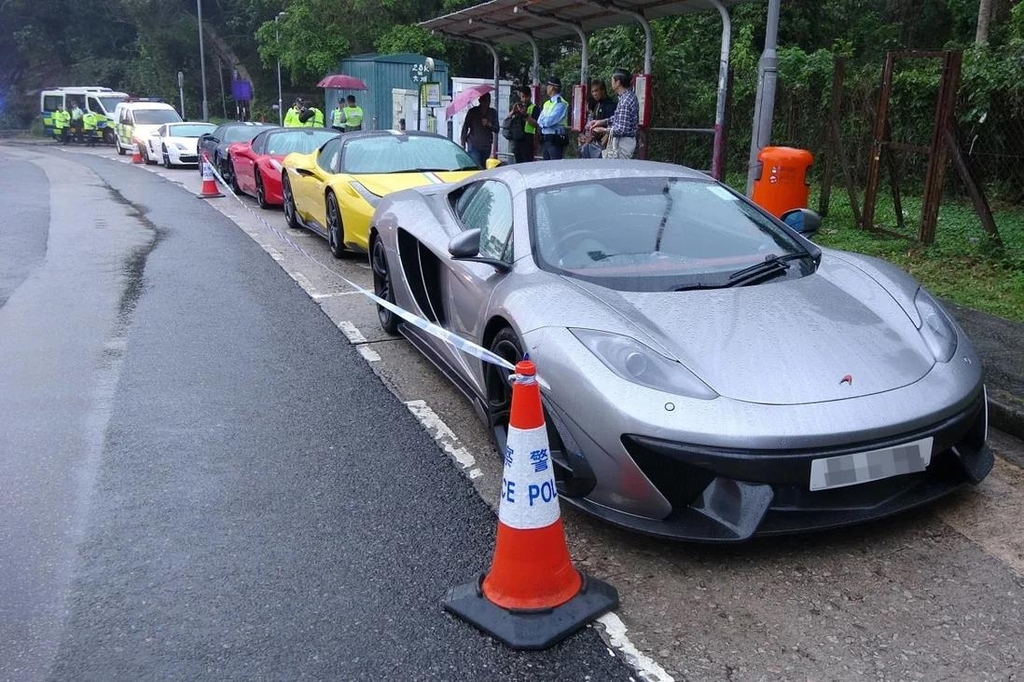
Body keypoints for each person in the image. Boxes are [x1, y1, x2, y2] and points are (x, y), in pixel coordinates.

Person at [590, 69, 639, 160]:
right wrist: (602, 121)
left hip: (624, 143)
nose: (611, 83)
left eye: (612, 80)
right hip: (622, 141)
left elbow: (621, 129)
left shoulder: (625, 101)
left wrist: (604, 130)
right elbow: (618, 117)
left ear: (618, 83)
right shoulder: (627, 97)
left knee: (620, 170)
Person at [579, 79, 616, 159]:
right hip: (593, 142)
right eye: (592, 92)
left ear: (603, 91)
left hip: (603, 144)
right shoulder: (597, 105)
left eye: (596, 91)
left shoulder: (610, 105)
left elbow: (612, 124)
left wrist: (603, 140)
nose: (594, 94)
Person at [460, 92, 498, 168]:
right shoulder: (472, 112)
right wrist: (463, 142)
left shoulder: (492, 112)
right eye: (484, 101)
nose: (486, 104)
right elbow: (465, 126)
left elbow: (497, 129)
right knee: (476, 166)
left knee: (484, 166)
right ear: (480, 101)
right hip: (473, 144)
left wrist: (489, 124)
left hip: (486, 145)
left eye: (488, 101)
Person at [536, 76, 569, 160]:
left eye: (548, 85)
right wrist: (544, 121)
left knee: (554, 167)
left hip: (555, 140)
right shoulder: (547, 103)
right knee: (546, 167)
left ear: (553, 88)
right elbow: (539, 120)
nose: (547, 88)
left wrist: (544, 121)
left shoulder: (561, 103)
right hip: (545, 139)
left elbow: (548, 121)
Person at [505, 86, 538, 164]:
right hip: (517, 139)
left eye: (525, 97)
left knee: (527, 163)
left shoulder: (534, 108)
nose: (523, 99)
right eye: (522, 97)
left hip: (528, 140)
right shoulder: (518, 107)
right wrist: (513, 111)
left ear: (530, 96)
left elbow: (536, 124)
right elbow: (507, 120)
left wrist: (525, 115)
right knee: (517, 162)